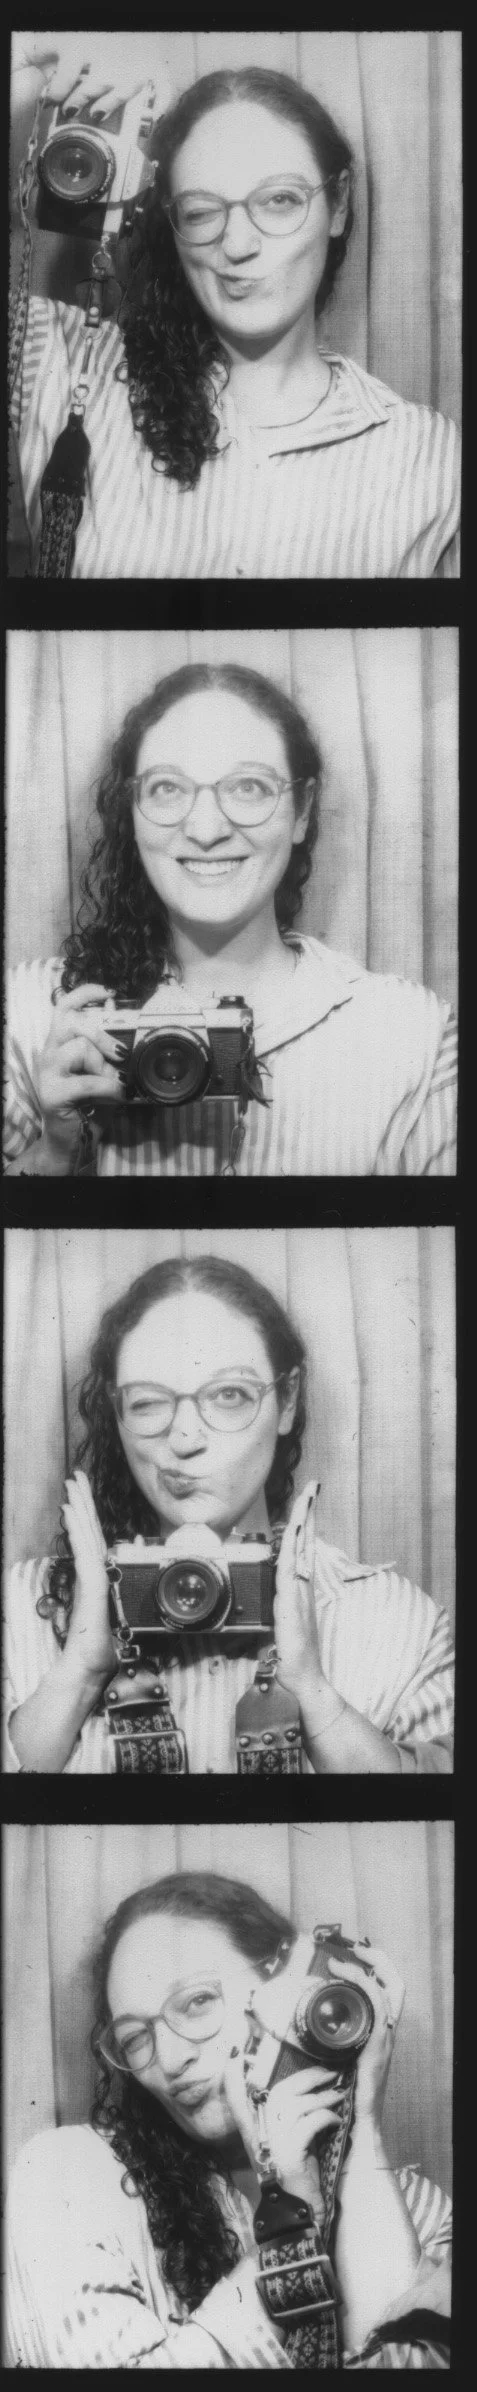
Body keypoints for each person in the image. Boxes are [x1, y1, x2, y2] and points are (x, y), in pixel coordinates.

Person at [9, 39, 460, 579]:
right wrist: (29, 76)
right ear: (169, 227)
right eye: (201, 211)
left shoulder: (429, 456)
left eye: (279, 200)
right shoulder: (59, 363)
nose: (239, 244)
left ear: (337, 205)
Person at [3, 1255, 454, 1775]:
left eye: (230, 1395)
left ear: (287, 1399)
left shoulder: (397, 1623)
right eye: (148, 1402)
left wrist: (315, 1693)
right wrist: (79, 1673)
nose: (185, 1438)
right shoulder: (22, 1610)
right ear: (116, 1413)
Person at [4, 663, 458, 1178]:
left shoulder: (414, 1034)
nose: (206, 829)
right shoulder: (29, 1012)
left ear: (303, 811)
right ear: (131, 810)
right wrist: (55, 1150)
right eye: (167, 788)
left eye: (248, 787)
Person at [5, 1869, 452, 2367]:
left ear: (285, 1991)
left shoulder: (413, 2206)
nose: (170, 2060)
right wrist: (291, 2220)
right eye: (135, 2038)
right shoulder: (67, 2178)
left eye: (197, 2003)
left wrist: (362, 2134)